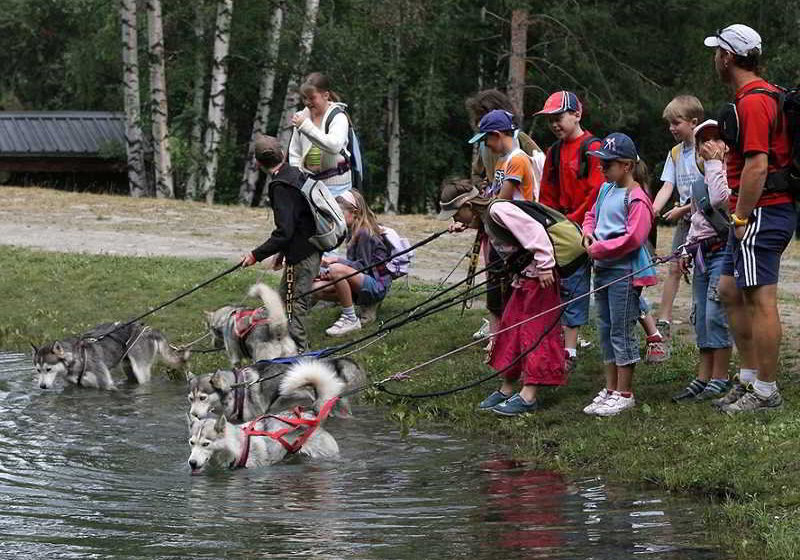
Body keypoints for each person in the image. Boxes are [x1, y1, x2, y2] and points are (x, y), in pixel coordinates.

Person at [704, 24, 797, 412]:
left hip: (763, 210)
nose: (714, 59)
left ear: (727, 56)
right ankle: (748, 377)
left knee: (761, 299)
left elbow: (758, 166)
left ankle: (766, 390)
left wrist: (741, 217)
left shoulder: (754, 101)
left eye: (717, 52)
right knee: (729, 289)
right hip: (754, 212)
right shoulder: (756, 96)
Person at [438, 183, 566, 416]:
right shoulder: (486, 217)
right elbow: (492, 232)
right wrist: (464, 225)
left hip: (541, 278)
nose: (457, 218)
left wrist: (546, 265)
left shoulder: (499, 211)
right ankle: (507, 388)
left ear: (468, 205)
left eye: (457, 214)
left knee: (533, 332)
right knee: (510, 330)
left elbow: (535, 231)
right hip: (523, 279)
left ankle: (529, 395)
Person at [581, 133, 657, 417]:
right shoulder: (605, 189)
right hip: (601, 270)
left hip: (623, 273)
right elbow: (592, 215)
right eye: (601, 163)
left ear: (626, 165)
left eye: (608, 164)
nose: (602, 168)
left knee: (621, 332)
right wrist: (588, 232)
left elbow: (634, 238)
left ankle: (625, 393)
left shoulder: (636, 197)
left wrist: (599, 249)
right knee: (604, 329)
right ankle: (610, 388)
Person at [535, 91, 605, 370]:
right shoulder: (552, 153)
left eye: (559, 117)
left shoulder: (593, 148)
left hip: (592, 227)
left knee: (614, 282)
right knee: (570, 284)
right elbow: (547, 195)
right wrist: (549, 224)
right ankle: (569, 349)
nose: (554, 124)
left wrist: (575, 223)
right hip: (563, 228)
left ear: (577, 114)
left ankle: (651, 331)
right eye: (550, 120)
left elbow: (597, 192)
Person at [463, 109, 537, 353]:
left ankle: (513, 339)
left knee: (512, 289)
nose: (486, 146)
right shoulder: (504, 161)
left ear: (497, 134)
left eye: (487, 140)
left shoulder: (516, 159)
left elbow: (501, 201)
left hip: (514, 236)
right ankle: (502, 338)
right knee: (497, 285)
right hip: (501, 233)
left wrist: (474, 210)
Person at [672, 120, 734, 403]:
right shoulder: (698, 184)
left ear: (726, 146)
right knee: (700, 317)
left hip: (723, 252)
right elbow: (696, 222)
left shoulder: (726, 174)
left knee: (715, 315)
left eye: (716, 139)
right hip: (702, 255)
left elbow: (721, 200)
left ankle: (721, 377)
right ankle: (703, 375)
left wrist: (713, 164)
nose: (709, 146)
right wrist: (686, 250)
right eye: (703, 142)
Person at [241, 134, 321, 351]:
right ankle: (286, 350)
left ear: (258, 164)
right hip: (302, 250)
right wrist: (282, 254)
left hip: (304, 254)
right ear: (283, 154)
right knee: (283, 301)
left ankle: (301, 354)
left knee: (296, 305)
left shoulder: (280, 185)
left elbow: (284, 231)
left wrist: (255, 255)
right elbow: (296, 222)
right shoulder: (294, 173)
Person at [651, 95, 705, 358]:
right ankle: (664, 320)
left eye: (677, 123)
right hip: (685, 219)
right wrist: (653, 209)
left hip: (705, 219)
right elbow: (667, 186)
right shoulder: (674, 153)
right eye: (669, 124)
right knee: (673, 267)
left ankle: (701, 314)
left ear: (693, 122)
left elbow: (710, 189)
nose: (672, 128)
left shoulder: (705, 148)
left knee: (702, 270)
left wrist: (683, 208)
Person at [311, 190, 392, 336]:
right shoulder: (352, 231)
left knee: (336, 269)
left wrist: (337, 261)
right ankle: (361, 305)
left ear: (355, 212)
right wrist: (328, 274)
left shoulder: (364, 233)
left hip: (375, 286)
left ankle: (350, 317)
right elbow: (354, 268)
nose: (336, 218)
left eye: (339, 213)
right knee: (315, 287)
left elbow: (366, 268)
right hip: (362, 282)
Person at [288, 72, 352, 197]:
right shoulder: (301, 117)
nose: (307, 102)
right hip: (309, 186)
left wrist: (305, 127)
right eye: (304, 98)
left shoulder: (338, 117)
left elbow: (334, 146)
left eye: (312, 98)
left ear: (326, 95)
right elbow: (294, 153)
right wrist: (297, 178)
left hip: (337, 187)